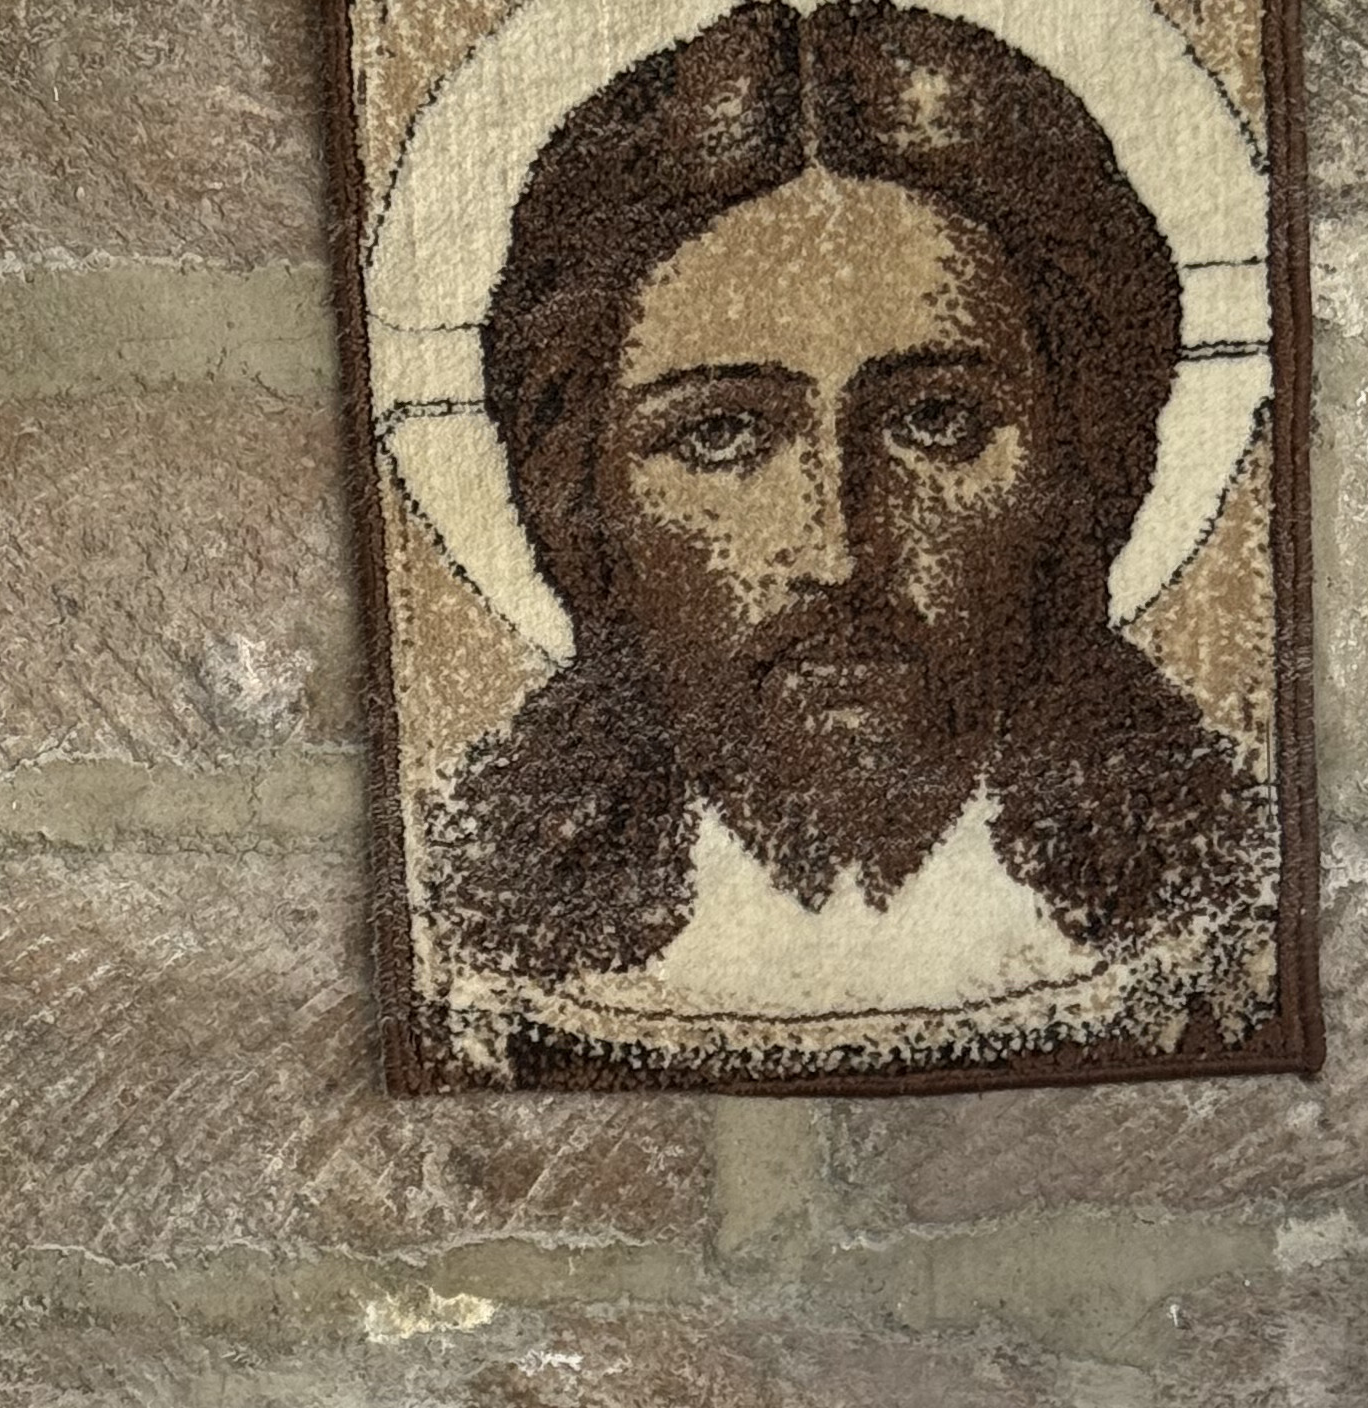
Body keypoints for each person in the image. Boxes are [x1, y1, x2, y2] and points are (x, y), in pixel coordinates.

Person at [422, 0, 1270, 1065]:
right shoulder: (483, 945)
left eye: (937, 420)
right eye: (720, 434)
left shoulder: (1215, 900)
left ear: (1080, 457)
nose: (837, 551)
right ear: (578, 496)